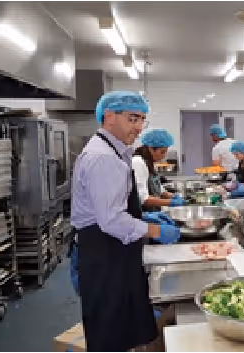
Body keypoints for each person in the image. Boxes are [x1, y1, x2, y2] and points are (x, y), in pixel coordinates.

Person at [70, 91, 181, 352]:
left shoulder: (114, 150)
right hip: (105, 252)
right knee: (110, 328)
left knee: (120, 324)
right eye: (133, 119)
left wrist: (143, 217)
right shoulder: (104, 158)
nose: (139, 127)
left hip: (113, 249)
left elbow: (114, 205)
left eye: (142, 119)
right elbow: (111, 220)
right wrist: (154, 229)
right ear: (109, 116)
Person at [133, 128, 186, 211]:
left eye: (165, 152)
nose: (164, 156)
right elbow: (143, 198)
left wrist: (172, 196)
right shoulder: (138, 162)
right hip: (145, 213)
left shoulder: (149, 162)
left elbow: (157, 188)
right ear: (150, 148)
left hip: (154, 211)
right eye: (162, 152)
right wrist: (170, 202)